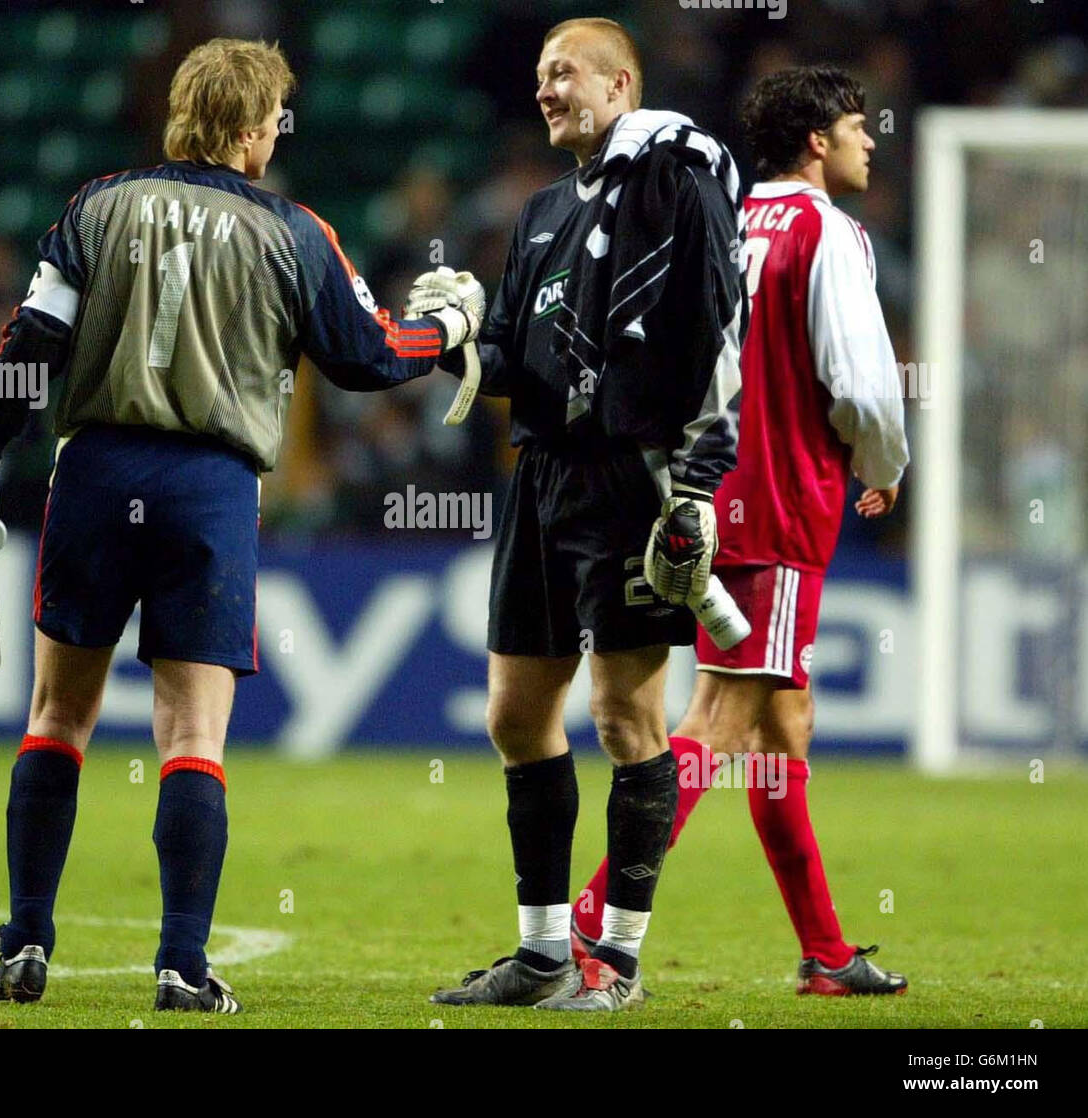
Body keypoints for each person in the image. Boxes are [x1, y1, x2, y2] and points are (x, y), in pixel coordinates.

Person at [0, 38, 483, 1014]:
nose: (276, 135)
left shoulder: (96, 203)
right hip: (211, 486)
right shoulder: (292, 231)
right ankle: (182, 964)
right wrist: (447, 334)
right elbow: (363, 358)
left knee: (57, 714)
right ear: (244, 128)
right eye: (271, 121)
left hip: (94, 471)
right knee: (192, 734)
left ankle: (24, 937)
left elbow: (32, 341)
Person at [417, 17, 746, 1012]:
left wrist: (698, 480)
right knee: (517, 715)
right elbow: (513, 362)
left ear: (621, 85)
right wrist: (456, 336)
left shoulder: (672, 183)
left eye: (565, 73)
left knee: (623, 713)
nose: (547, 89)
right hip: (541, 477)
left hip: (627, 482)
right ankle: (543, 952)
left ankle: (622, 961)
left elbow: (716, 326)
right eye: (539, 76)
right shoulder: (541, 213)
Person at [571, 65, 910, 996]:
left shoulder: (724, 217)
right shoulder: (824, 232)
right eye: (855, 125)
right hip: (780, 500)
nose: (869, 140)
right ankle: (595, 923)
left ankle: (827, 954)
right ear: (816, 142)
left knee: (783, 727)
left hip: (704, 495)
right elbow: (863, 381)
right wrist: (883, 465)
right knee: (718, 722)